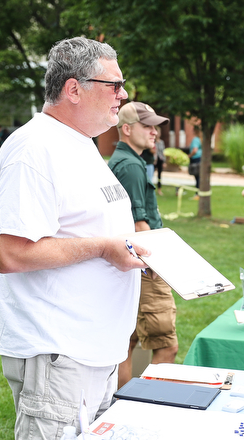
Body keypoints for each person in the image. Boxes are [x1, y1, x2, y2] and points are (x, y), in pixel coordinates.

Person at [0, 37, 148, 440]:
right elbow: (11, 253)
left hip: (97, 352)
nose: (124, 94)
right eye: (114, 85)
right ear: (73, 89)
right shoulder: (33, 148)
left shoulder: (81, 144)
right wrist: (102, 248)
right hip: (60, 354)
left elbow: (93, 227)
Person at [108, 101, 178, 388]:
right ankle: (146, 405)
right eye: (147, 126)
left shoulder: (125, 161)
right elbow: (140, 226)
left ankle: (121, 406)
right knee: (166, 345)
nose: (155, 132)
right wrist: (169, 264)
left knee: (128, 341)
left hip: (132, 265)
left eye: (156, 127)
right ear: (126, 129)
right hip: (146, 265)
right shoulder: (132, 167)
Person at [188, 128, 202, 195]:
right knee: (198, 177)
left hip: (196, 159)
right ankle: (198, 192)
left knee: (197, 177)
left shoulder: (195, 139)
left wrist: (189, 155)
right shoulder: (199, 139)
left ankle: (197, 193)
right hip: (199, 159)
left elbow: (195, 150)